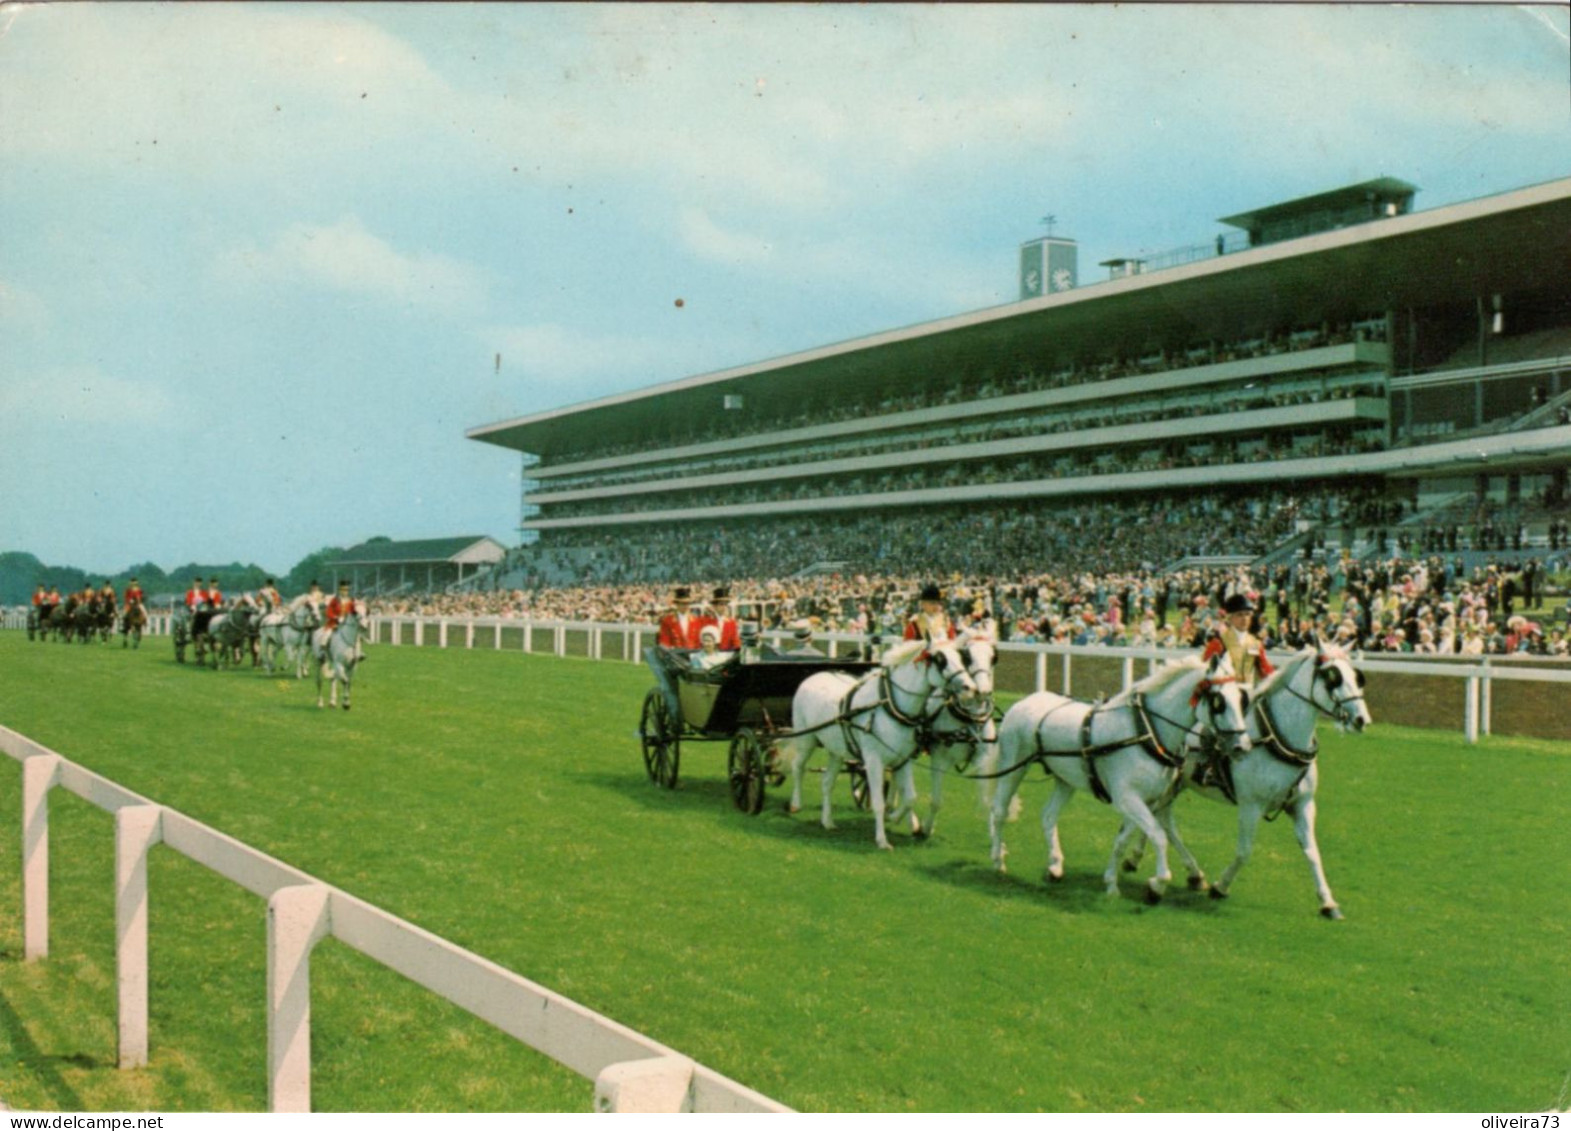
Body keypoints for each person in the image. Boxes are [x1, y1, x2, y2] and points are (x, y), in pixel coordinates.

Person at [1193, 592, 1274, 787]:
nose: (1244, 619)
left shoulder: (1256, 643)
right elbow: (1205, 669)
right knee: (1210, 730)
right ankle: (1207, 767)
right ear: (1229, 618)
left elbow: (1266, 670)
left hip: (1249, 694)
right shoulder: (1219, 642)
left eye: (1247, 614)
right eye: (1239, 615)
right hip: (1226, 695)